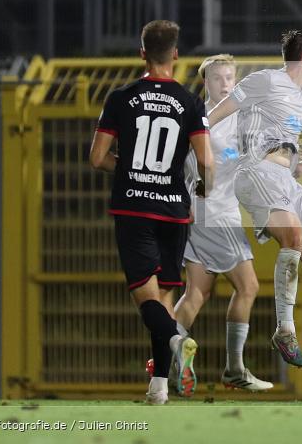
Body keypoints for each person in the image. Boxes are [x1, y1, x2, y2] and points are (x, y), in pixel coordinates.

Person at [206, 30, 302, 385]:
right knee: (293, 237)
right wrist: (197, 142)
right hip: (256, 171)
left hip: (287, 179)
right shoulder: (265, 81)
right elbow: (214, 115)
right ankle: (284, 331)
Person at [89, 20, 214, 405]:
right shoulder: (191, 102)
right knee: (161, 300)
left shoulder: (121, 97)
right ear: (176, 54)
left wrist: (127, 168)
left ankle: (178, 343)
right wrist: (202, 189)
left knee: (146, 301)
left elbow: (96, 158)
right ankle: (159, 388)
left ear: (142, 52)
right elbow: (206, 160)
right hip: (174, 211)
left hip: (134, 208)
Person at [173, 54, 273, 392]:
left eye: (230, 77)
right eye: (219, 78)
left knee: (197, 293)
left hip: (204, 214)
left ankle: (167, 353)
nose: (226, 84)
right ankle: (234, 368)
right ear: (206, 83)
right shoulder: (205, 118)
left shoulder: (234, 116)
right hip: (214, 215)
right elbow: (210, 166)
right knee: (248, 287)